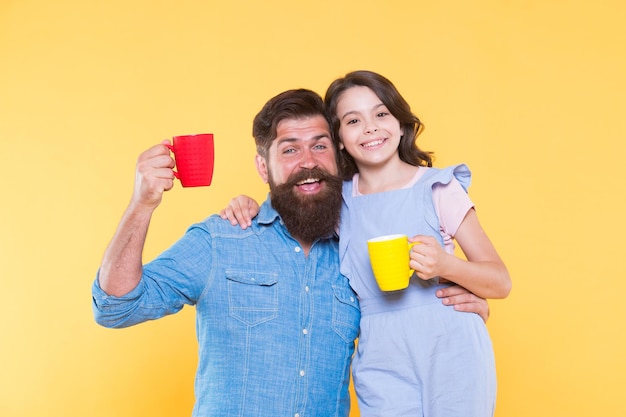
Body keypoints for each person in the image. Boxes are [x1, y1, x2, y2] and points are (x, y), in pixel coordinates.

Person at [92, 88, 491, 417]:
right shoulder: (222, 239)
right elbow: (115, 306)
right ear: (263, 168)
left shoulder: (358, 250)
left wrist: (458, 307)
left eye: (320, 146)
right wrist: (141, 204)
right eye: (289, 150)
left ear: (339, 157)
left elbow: (400, 317)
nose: (308, 163)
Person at [223, 71, 511, 417]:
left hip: (450, 344)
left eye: (381, 114)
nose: (371, 128)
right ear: (339, 139)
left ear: (401, 124)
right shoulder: (337, 202)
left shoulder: (438, 189)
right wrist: (247, 203)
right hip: (378, 352)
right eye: (353, 120)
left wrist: (446, 267)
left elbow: (499, 280)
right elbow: (290, 214)